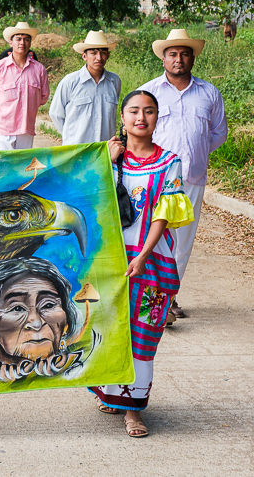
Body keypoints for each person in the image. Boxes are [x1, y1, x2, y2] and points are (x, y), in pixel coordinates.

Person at [90, 90, 194, 438]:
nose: (141, 118)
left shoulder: (170, 162)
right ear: (122, 117)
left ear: (156, 118)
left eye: (148, 111)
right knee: (110, 327)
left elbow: (163, 215)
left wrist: (143, 255)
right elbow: (85, 197)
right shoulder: (108, 157)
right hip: (111, 261)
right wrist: (104, 159)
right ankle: (111, 394)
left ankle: (134, 410)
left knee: (144, 334)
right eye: (134, 111)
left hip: (151, 263)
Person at [137, 29, 227, 321]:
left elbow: (218, 133)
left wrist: (195, 153)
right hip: (157, 178)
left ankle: (168, 299)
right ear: (163, 58)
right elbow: (137, 130)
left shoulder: (209, 93)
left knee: (183, 242)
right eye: (173, 54)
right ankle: (151, 299)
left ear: (192, 58)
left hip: (192, 178)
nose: (179, 59)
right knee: (155, 237)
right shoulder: (149, 92)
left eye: (184, 54)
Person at [0, 21, 49, 150]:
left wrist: (27, 106)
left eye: (26, 39)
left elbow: (43, 97)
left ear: (30, 43)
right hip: (3, 128)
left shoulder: (39, 70)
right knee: (4, 166)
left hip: (26, 128)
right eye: (18, 39)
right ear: (11, 42)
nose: (22, 43)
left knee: (23, 167)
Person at [49, 30, 121, 145]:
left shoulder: (114, 81)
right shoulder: (70, 81)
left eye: (103, 52)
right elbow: (56, 114)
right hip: (76, 149)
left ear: (108, 55)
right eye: (93, 53)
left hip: (104, 149)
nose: (99, 57)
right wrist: (71, 137)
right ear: (84, 56)